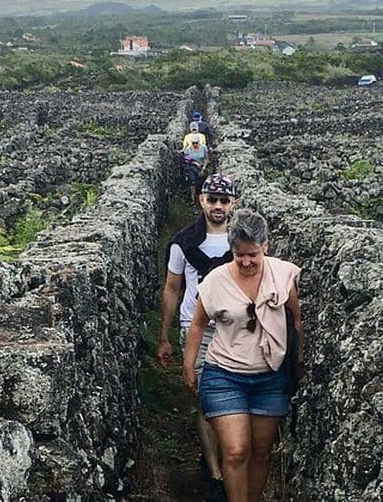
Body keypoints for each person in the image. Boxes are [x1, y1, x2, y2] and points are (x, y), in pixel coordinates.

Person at [182, 208, 302, 502]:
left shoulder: (284, 275)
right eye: (239, 255)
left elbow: (296, 319)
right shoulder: (215, 281)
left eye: (253, 255)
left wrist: (298, 360)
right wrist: (188, 366)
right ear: (231, 251)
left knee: (261, 451)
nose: (247, 262)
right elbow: (197, 325)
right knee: (236, 451)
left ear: (265, 247)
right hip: (224, 375)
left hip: (270, 377)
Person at [157, 174, 238, 502]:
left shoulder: (241, 241)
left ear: (233, 203)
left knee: (228, 400)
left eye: (224, 200)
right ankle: (215, 474)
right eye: (212, 199)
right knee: (206, 401)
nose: (217, 206)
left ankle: (224, 462)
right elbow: (173, 288)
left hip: (235, 328)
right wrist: (164, 336)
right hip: (197, 328)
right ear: (200, 200)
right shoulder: (182, 243)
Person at [181, 133, 209, 202]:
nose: (195, 145)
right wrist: (194, 163)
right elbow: (186, 159)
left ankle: (202, 198)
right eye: (193, 143)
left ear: (199, 142)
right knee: (192, 181)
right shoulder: (188, 149)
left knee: (202, 182)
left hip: (202, 167)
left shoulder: (203, 148)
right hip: (192, 167)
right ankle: (193, 198)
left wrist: (203, 168)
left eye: (196, 143)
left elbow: (207, 159)